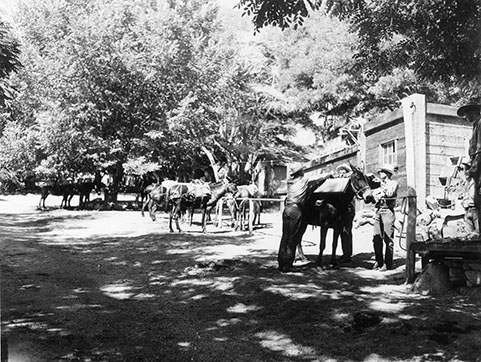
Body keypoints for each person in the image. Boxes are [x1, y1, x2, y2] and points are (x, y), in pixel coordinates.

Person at [278, 164, 331, 272]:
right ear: (300, 172)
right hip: (296, 210)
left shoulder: (289, 182)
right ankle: (287, 264)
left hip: (287, 209)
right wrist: (329, 174)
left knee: (285, 236)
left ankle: (281, 262)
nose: (303, 172)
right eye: (302, 170)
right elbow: (319, 178)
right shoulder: (304, 180)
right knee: (293, 237)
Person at [458, 103, 481, 233]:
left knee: (479, 199)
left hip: (479, 167)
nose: (466, 117)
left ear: (474, 111)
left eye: (467, 113)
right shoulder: (475, 126)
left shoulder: (480, 123)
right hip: (476, 166)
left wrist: (474, 168)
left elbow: (479, 150)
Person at [371, 165, 398, 271]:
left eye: (381, 172)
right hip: (378, 211)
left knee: (388, 238)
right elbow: (373, 199)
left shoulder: (393, 184)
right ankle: (379, 261)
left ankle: (388, 263)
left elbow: (390, 193)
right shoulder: (379, 186)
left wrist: (382, 187)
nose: (379, 174)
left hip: (388, 211)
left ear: (387, 174)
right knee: (376, 237)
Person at [335, 164, 355, 263]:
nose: (342, 173)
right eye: (340, 171)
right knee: (339, 231)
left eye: (344, 171)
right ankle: (343, 254)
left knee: (346, 232)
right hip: (339, 210)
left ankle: (347, 255)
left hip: (348, 209)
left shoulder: (350, 182)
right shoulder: (337, 182)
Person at [460, 161, 479, 237]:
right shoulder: (466, 183)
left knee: (477, 233)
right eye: (465, 169)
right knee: (468, 236)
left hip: (476, 211)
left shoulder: (477, 182)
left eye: (468, 169)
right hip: (468, 211)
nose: (466, 171)